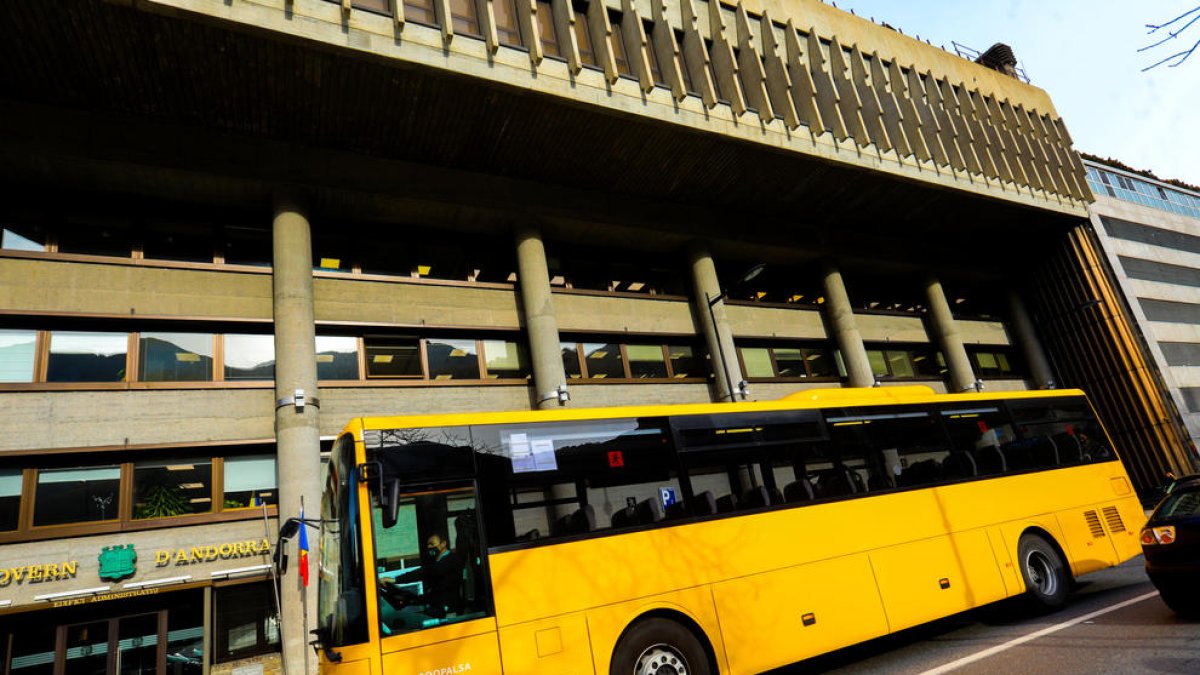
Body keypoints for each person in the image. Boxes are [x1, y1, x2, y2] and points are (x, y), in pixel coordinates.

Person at [380, 533, 465, 620]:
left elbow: (423, 573)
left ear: (443, 544)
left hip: (448, 610)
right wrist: (410, 599)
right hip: (436, 605)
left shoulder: (451, 560)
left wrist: (395, 580)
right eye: (428, 544)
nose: (429, 547)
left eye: (432, 544)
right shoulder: (435, 562)